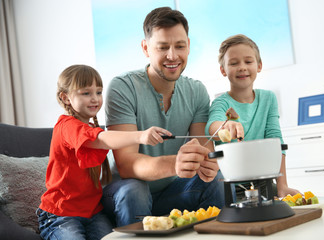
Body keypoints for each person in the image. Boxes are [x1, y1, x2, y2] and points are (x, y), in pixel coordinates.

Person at [102, 7, 224, 227]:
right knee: (135, 189)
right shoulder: (122, 87)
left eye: (179, 46)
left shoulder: (196, 91)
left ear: (188, 45)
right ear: (145, 48)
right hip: (126, 191)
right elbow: (127, 164)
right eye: (163, 47)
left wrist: (208, 163)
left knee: (215, 179)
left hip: (174, 191)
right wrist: (175, 164)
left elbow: (204, 150)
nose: (172, 56)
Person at [37, 65, 171, 240]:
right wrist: (141, 136)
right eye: (86, 93)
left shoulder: (91, 127)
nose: (94, 99)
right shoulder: (66, 126)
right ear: (66, 97)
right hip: (61, 215)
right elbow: (100, 139)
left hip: (93, 213)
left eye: (98, 92)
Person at [205, 34, 300, 199]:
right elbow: (212, 126)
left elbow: (276, 141)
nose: (242, 67)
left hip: (264, 182)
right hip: (230, 186)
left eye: (248, 61)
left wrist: (282, 185)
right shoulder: (220, 103)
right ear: (223, 70)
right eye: (234, 63)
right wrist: (224, 126)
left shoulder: (268, 98)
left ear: (259, 65)